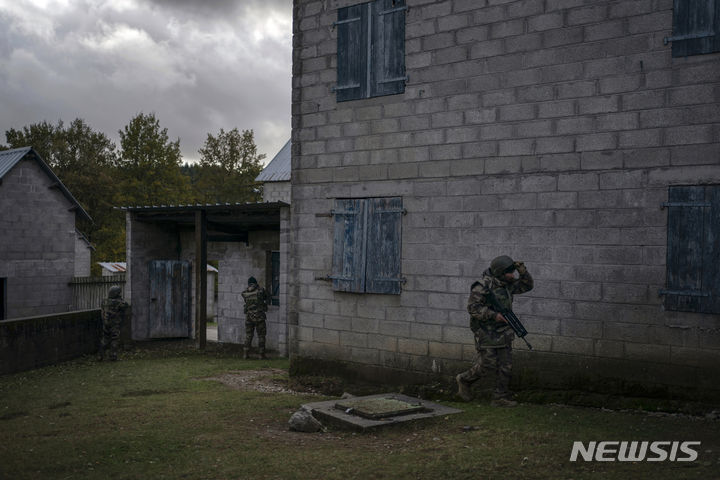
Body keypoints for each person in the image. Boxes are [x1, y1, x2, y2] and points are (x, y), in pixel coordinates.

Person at [456, 255, 533, 406]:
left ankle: (500, 397)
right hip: (486, 331)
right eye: (509, 272)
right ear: (499, 272)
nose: (512, 275)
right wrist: (494, 315)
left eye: (513, 272)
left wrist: (523, 272)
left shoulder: (507, 284)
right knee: (488, 365)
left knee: (506, 365)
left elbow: (527, 286)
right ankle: (464, 380)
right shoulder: (483, 286)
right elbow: (472, 308)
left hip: (504, 331)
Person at [98, 285, 129, 361]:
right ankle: (113, 356)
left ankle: (100, 355)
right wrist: (120, 298)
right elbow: (126, 305)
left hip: (105, 323)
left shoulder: (104, 301)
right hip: (114, 324)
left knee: (105, 339)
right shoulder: (117, 302)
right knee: (114, 339)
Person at [241, 276, 268, 359]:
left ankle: (245, 354)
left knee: (248, 335)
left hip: (249, 317)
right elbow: (266, 297)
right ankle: (261, 354)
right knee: (261, 336)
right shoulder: (260, 291)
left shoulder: (245, 293)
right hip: (259, 317)